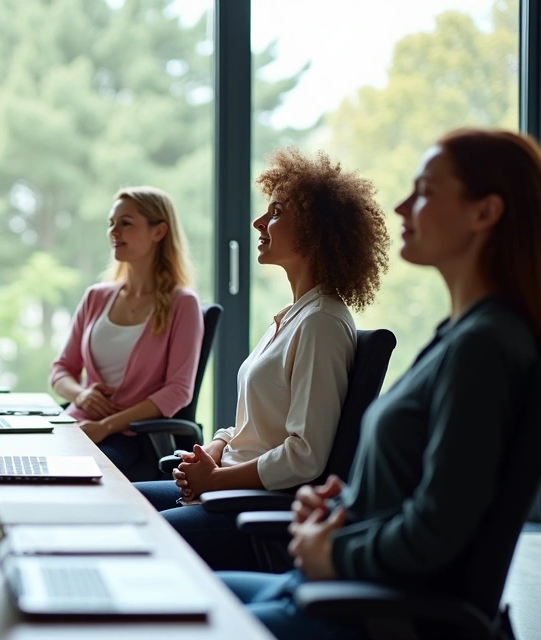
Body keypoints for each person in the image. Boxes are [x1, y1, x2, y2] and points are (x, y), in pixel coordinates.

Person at [220, 128, 541, 639]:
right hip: (340, 588)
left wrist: (334, 548)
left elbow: (436, 529)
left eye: (425, 191)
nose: (401, 205)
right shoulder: (461, 334)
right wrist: (341, 507)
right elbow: (416, 490)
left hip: (376, 612)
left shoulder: (487, 347)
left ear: (485, 213)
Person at [136, 147, 390, 571]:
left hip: (252, 506)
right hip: (228, 486)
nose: (258, 222)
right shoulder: (291, 318)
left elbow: (304, 454)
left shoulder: (322, 323)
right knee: (116, 504)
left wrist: (216, 480)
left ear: (313, 228)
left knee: (137, 533)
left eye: (275, 212)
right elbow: (252, 424)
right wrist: (214, 451)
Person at [49, 186, 203, 481]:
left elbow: (178, 390)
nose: (114, 231)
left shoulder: (183, 304)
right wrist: (81, 395)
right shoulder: (96, 297)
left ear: (159, 232)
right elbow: (61, 370)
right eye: (111, 223)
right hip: (78, 422)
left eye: (126, 223)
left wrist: (106, 425)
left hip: (132, 436)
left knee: (76, 475)